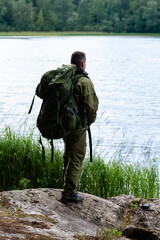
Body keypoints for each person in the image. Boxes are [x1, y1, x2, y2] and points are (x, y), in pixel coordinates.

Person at [60, 51, 99, 203]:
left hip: (64, 125)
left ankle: (66, 187)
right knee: (76, 157)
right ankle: (69, 192)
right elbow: (91, 106)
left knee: (67, 155)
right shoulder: (84, 81)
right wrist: (90, 120)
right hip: (78, 126)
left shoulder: (65, 78)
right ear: (82, 64)